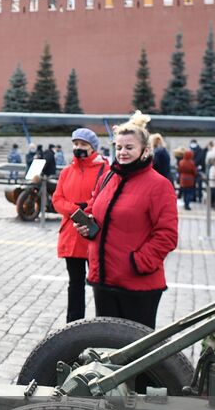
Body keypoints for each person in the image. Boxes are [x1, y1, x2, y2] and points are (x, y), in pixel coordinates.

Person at [74, 112, 178, 328]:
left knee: (136, 350)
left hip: (137, 285)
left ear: (145, 150)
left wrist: (137, 263)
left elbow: (167, 235)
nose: (122, 152)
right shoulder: (109, 177)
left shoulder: (159, 185)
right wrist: (86, 224)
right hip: (103, 280)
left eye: (129, 147)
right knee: (107, 347)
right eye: (119, 147)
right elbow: (94, 206)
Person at [51, 128, 108, 323]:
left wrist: (89, 210)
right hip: (71, 233)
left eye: (83, 144)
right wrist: (75, 209)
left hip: (94, 233)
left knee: (99, 284)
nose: (78, 148)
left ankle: (104, 322)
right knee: (75, 283)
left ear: (93, 148)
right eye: (75, 144)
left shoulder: (104, 169)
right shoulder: (67, 171)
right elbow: (57, 199)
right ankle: (73, 324)